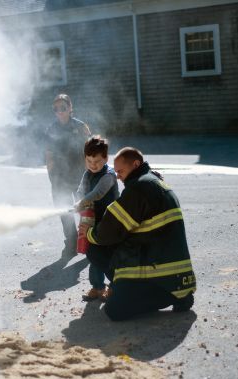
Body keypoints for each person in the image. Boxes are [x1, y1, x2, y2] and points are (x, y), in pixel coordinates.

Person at [79, 147, 196, 321]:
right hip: (171, 270)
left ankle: (174, 296)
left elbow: (108, 231)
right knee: (100, 249)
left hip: (160, 276)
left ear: (135, 164)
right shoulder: (153, 182)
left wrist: (88, 233)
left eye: (120, 171)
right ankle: (176, 293)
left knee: (114, 311)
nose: (117, 176)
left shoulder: (139, 187)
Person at [45, 93, 91, 260]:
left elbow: (90, 152)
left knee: (85, 211)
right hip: (59, 178)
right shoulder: (51, 129)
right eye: (55, 109)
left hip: (79, 176)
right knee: (65, 212)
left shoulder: (81, 127)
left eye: (63, 108)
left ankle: (88, 241)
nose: (59, 112)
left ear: (70, 108)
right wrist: (51, 176)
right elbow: (49, 154)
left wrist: (91, 175)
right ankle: (71, 242)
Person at [75, 136, 119, 301]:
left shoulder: (109, 175)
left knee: (110, 256)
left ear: (106, 158)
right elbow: (81, 190)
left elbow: (98, 193)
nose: (93, 165)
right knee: (93, 255)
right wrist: (79, 202)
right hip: (93, 221)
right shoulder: (87, 174)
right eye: (89, 161)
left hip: (110, 222)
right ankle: (97, 287)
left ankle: (116, 286)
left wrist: (83, 201)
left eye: (97, 161)